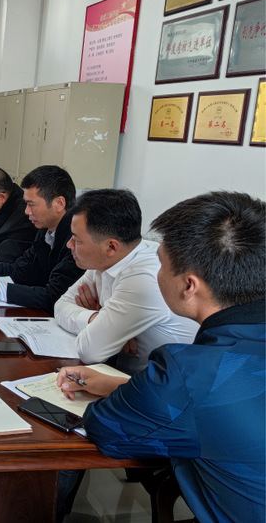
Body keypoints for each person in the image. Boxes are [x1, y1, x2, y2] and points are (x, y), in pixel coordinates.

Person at [57, 191, 265, 523]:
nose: (156, 274)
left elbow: (104, 427)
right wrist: (118, 385)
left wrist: (134, 389)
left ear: (189, 286)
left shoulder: (188, 372)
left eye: (162, 265)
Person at [55, 189, 198, 374]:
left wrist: (103, 326)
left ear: (111, 247)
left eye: (77, 240)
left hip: (156, 384)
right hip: (121, 372)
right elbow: (61, 305)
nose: (69, 245)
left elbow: (90, 351)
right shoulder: (106, 261)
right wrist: (95, 319)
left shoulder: (144, 277)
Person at [0, 165, 84, 314]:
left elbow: (54, 296)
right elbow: (19, 269)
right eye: (26, 204)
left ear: (59, 203)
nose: (27, 211)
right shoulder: (45, 231)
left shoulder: (77, 241)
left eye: (32, 205)